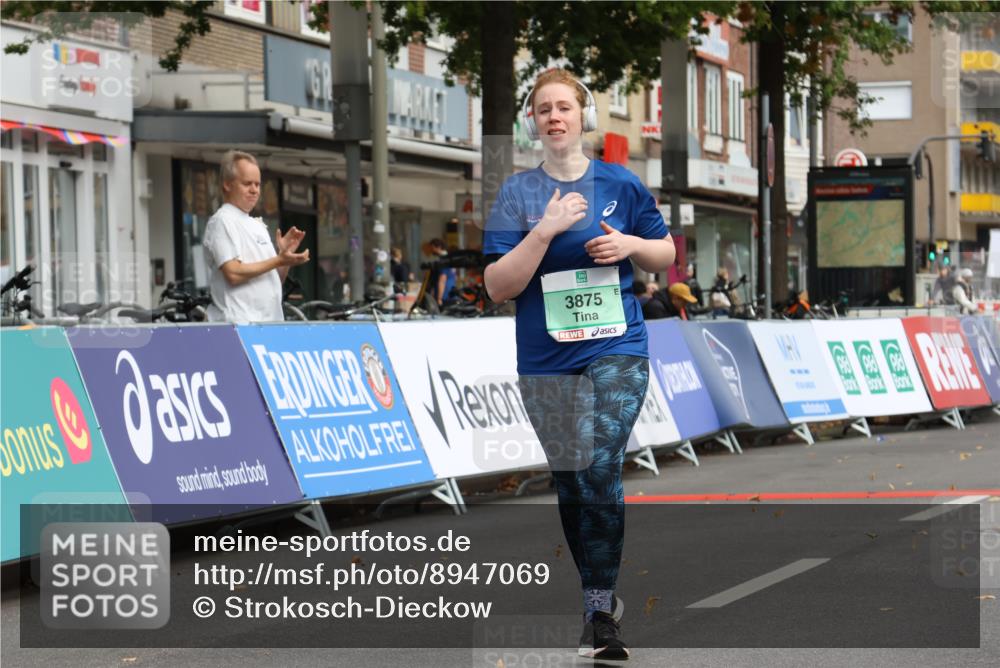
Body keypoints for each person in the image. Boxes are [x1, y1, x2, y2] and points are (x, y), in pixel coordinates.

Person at [482, 68, 675, 661]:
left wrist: (630, 248)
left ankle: (600, 606)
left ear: (584, 117)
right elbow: (496, 286)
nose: (555, 117)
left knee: (597, 459)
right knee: (572, 479)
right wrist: (544, 231)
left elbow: (664, 254)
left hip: (616, 346)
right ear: (534, 123)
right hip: (546, 358)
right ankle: (597, 603)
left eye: (565, 106)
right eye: (544, 110)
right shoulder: (516, 194)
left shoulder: (622, 182)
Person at [202, 150, 309, 323]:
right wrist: (278, 260)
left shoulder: (256, 224)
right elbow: (233, 273)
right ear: (227, 185)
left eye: (258, 185)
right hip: (239, 326)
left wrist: (284, 257)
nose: (254, 190)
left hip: (267, 326)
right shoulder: (222, 221)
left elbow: (273, 280)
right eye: (247, 184)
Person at [426, 238, 457, 307]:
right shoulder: (450, 259)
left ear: (438, 247)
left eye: (432, 248)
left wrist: (439, 298)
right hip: (451, 293)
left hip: (444, 296)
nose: (431, 250)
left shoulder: (443, 261)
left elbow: (442, 280)